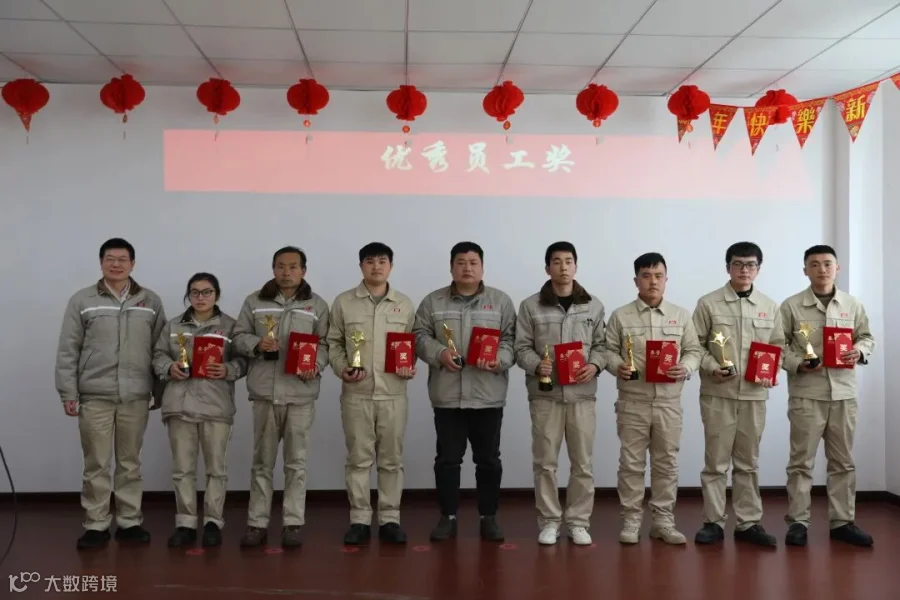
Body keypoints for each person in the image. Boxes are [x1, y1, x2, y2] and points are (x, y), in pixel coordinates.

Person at [55, 238, 166, 550]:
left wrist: (160, 390)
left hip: (135, 396)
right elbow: (68, 350)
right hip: (95, 396)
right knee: (97, 463)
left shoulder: (150, 301)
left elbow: (161, 349)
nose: (116, 264)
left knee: (130, 462)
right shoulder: (83, 300)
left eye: (122, 259)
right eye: (110, 259)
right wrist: (68, 392)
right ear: (101, 262)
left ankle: (130, 521)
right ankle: (96, 524)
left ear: (133, 263)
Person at [412, 241, 516, 542]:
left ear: (482, 267)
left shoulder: (500, 301)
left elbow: (511, 340)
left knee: (488, 460)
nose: (467, 268)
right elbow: (418, 336)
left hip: (488, 395)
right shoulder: (433, 301)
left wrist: (499, 359)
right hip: (448, 396)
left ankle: (488, 516)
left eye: (473, 262)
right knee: (447, 460)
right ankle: (448, 516)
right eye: (461, 262)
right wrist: (439, 353)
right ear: (451, 267)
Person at [232, 246, 330, 548]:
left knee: (296, 463)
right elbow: (237, 337)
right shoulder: (254, 302)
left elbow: (326, 344)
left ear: (303, 270)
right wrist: (256, 343)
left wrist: (315, 365)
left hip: (300, 394)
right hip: (264, 393)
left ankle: (293, 523)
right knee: (262, 462)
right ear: (273, 269)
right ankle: (257, 523)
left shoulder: (317, 305)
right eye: (280, 266)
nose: (286, 272)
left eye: (293, 267)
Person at [780, 245, 875, 547]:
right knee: (801, 463)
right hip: (807, 395)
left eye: (827, 264)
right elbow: (777, 346)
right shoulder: (792, 306)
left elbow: (867, 337)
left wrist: (859, 351)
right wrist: (798, 362)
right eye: (814, 264)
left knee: (843, 462)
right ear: (805, 270)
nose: (822, 269)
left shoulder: (851, 305)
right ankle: (798, 522)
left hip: (843, 394)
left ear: (837, 268)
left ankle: (842, 521)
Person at [514, 241, 607, 546]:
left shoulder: (593, 305)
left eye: (568, 261)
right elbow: (520, 348)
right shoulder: (530, 306)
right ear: (547, 268)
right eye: (557, 262)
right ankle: (550, 521)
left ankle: (578, 522)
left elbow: (602, 346)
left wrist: (594, 365)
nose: (563, 267)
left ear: (576, 266)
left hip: (582, 396)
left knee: (583, 464)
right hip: (546, 397)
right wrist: (535, 364)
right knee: (545, 463)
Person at [605, 252, 701, 545]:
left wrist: (686, 367)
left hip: (668, 403)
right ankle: (631, 520)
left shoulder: (681, 316)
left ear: (666, 279)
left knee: (666, 463)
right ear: (636, 281)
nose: (653, 282)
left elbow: (694, 350)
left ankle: (662, 521)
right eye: (646, 276)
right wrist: (616, 365)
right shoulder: (621, 316)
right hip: (633, 401)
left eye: (658, 276)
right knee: (631, 464)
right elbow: (607, 350)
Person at [692, 242, 784, 547]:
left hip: (754, 396)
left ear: (758, 268)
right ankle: (713, 522)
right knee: (716, 463)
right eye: (738, 264)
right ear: (727, 267)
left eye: (750, 264)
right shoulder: (708, 304)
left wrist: (771, 371)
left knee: (748, 463)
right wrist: (711, 367)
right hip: (718, 393)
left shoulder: (769, 307)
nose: (744, 270)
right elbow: (694, 346)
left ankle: (748, 523)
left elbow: (778, 347)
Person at [327, 243, 416, 546]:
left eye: (382, 261)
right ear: (361, 266)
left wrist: (409, 365)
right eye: (369, 261)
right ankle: (360, 520)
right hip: (357, 394)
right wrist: (342, 367)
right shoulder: (344, 302)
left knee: (391, 460)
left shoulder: (404, 304)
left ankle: (390, 519)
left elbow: (411, 344)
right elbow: (333, 342)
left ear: (391, 266)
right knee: (358, 460)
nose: (376, 267)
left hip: (393, 395)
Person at [152, 273, 247, 548]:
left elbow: (244, 360)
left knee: (216, 469)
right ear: (188, 295)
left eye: (207, 292)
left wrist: (228, 369)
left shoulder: (231, 326)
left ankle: (213, 522)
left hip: (216, 406)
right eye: (195, 292)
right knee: (182, 469)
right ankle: (186, 523)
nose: (201, 297)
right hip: (179, 405)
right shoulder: (173, 326)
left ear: (217, 295)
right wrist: (168, 367)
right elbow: (157, 355)